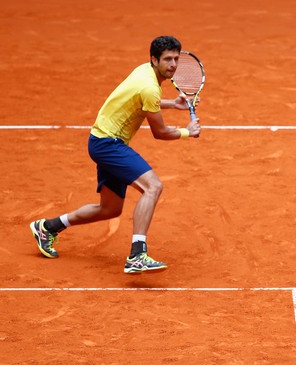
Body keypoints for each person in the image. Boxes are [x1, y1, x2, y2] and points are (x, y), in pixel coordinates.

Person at [30, 35, 201, 274]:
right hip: (108, 144)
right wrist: (187, 132)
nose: (172, 64)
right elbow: (160, 132)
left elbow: (142, 100)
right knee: (153, 187)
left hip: (101, 140)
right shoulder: (150, 86)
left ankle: (47, 227)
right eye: (167, 59)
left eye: (175, 59)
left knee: (109, 209)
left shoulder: (144, 72)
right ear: (154, 60)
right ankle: (137, 254)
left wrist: (172, 103)